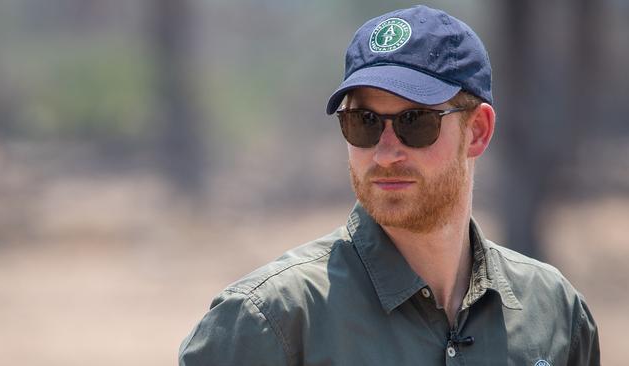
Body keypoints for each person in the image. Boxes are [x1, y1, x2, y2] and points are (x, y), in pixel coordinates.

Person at [179, 5, 600, 366]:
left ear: (477, 132)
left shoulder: (555, 313)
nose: (384, 154)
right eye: (363, 122)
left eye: (414, 122)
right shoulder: (270, 320)